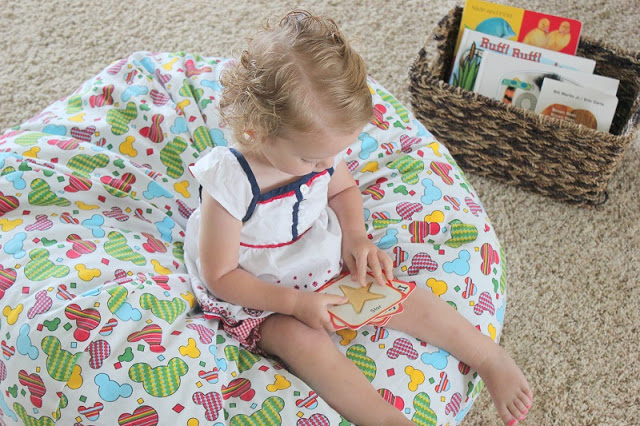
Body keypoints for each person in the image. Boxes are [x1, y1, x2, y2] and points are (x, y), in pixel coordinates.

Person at [184, 9, 533, 426]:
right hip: (258, 290)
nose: (326, 165)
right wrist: (295, 303)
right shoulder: (231, 182)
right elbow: (221, 275)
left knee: (393, 289)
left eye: (332, 153)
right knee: (302, 342)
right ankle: (383, 419)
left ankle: (486, 356)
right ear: (256, 131)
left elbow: (344, 188)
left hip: (314, 256)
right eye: (313, 158)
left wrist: (355, 237)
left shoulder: (316, 153)